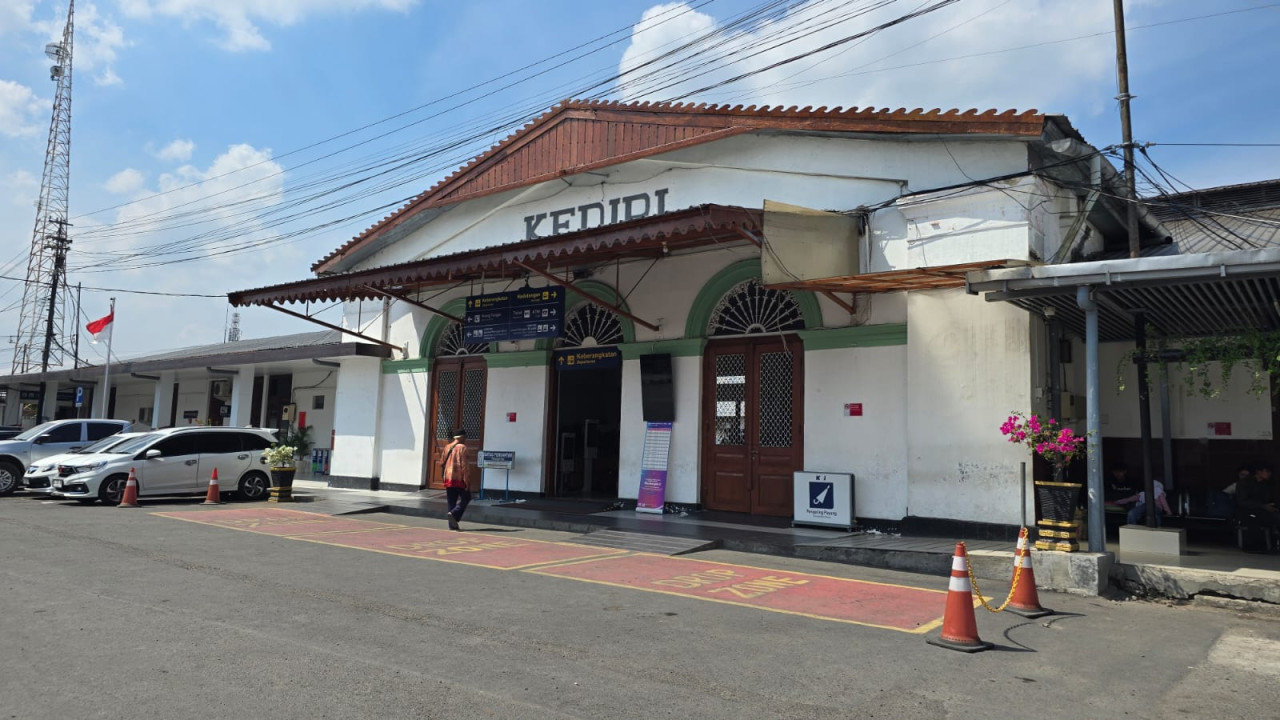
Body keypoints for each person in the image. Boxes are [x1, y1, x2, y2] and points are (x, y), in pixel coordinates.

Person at [441, 428, 471, 531]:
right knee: (466, 498)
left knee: (451, 501)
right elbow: (465, 466)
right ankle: (454, 513)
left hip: (448, 478)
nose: (465, 439)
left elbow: (441, 462)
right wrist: (467, 480)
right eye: (465, 437)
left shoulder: (447, 447)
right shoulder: (463, 448)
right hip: (459, 478)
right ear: (461, 437)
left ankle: (452, 525)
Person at [1236, 462, 1280, 531]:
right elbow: (1242, 502)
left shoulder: (1268, 484)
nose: (1269, 474)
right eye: (1267, 471)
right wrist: (1262, 506)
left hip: (1264, 511)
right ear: (1259, 472)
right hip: (1248, 513)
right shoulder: (1245, 483)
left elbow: (1271, 499)